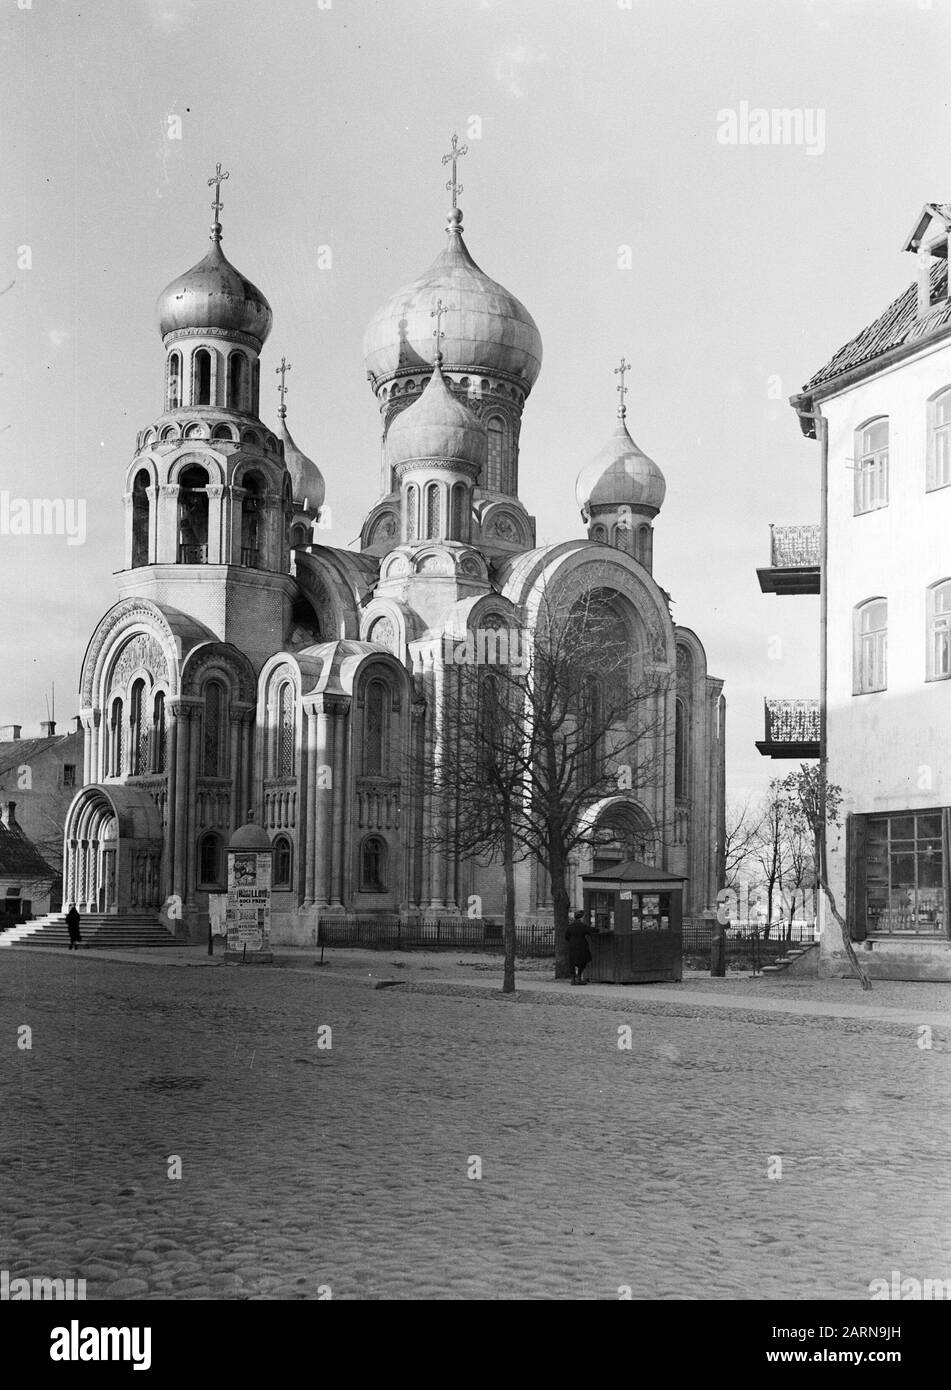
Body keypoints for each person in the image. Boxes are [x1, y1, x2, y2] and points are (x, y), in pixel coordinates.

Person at [566, 909, 594, 985]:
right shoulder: (582, 926)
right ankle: (579, 977)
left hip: (572, 946)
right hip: (582, 945)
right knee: (583, 961)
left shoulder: (570, 927)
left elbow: (566, 936)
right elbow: (590, 931)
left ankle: (573, 979)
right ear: (581, 918)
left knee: (572, 962)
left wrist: (571, 941)